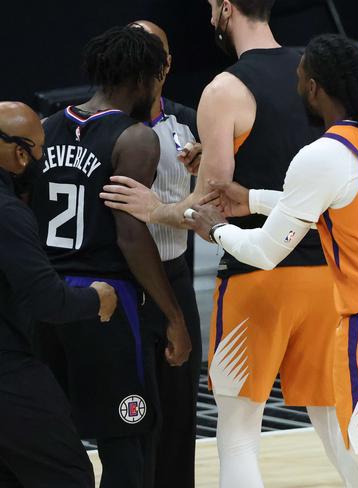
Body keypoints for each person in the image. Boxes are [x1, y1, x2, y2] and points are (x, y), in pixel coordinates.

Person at [181, 33, 358, 488]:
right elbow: (334, 207)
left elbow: (265, 252)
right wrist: (251, 199)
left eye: (300, 78)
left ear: (314, 87)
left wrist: (216, 228)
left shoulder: (323, 154)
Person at [101, 2, 357, 486]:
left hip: (257, 278)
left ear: (225, 8)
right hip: (326, 274)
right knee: (331, 419)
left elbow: (208, 205)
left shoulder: (224, 88)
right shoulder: (315, 69)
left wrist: (153, 209)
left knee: (239, 430)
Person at [26, 26, 191, 488]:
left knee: (51, 440)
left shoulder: (43, 128)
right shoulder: (136, 138)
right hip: (108, 305)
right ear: (146, 78)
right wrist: (173, 315)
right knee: (127, 441)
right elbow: (132, 237)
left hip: (48, 300)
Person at [0, 101, 117, 487]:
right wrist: (97, 298)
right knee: (68, 475)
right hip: (10, 375)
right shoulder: (9, 214)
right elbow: (47, 300)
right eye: (38, 151)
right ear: (20, 154)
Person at [130, 20, 203, 488]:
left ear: (168, 62)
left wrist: (204, 172)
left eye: (149, 51)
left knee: (178, 410)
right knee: (131, 413)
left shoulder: (189, 121)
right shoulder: (101, 124)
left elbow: (215, 205)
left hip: (174, 275)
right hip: (120, 281)